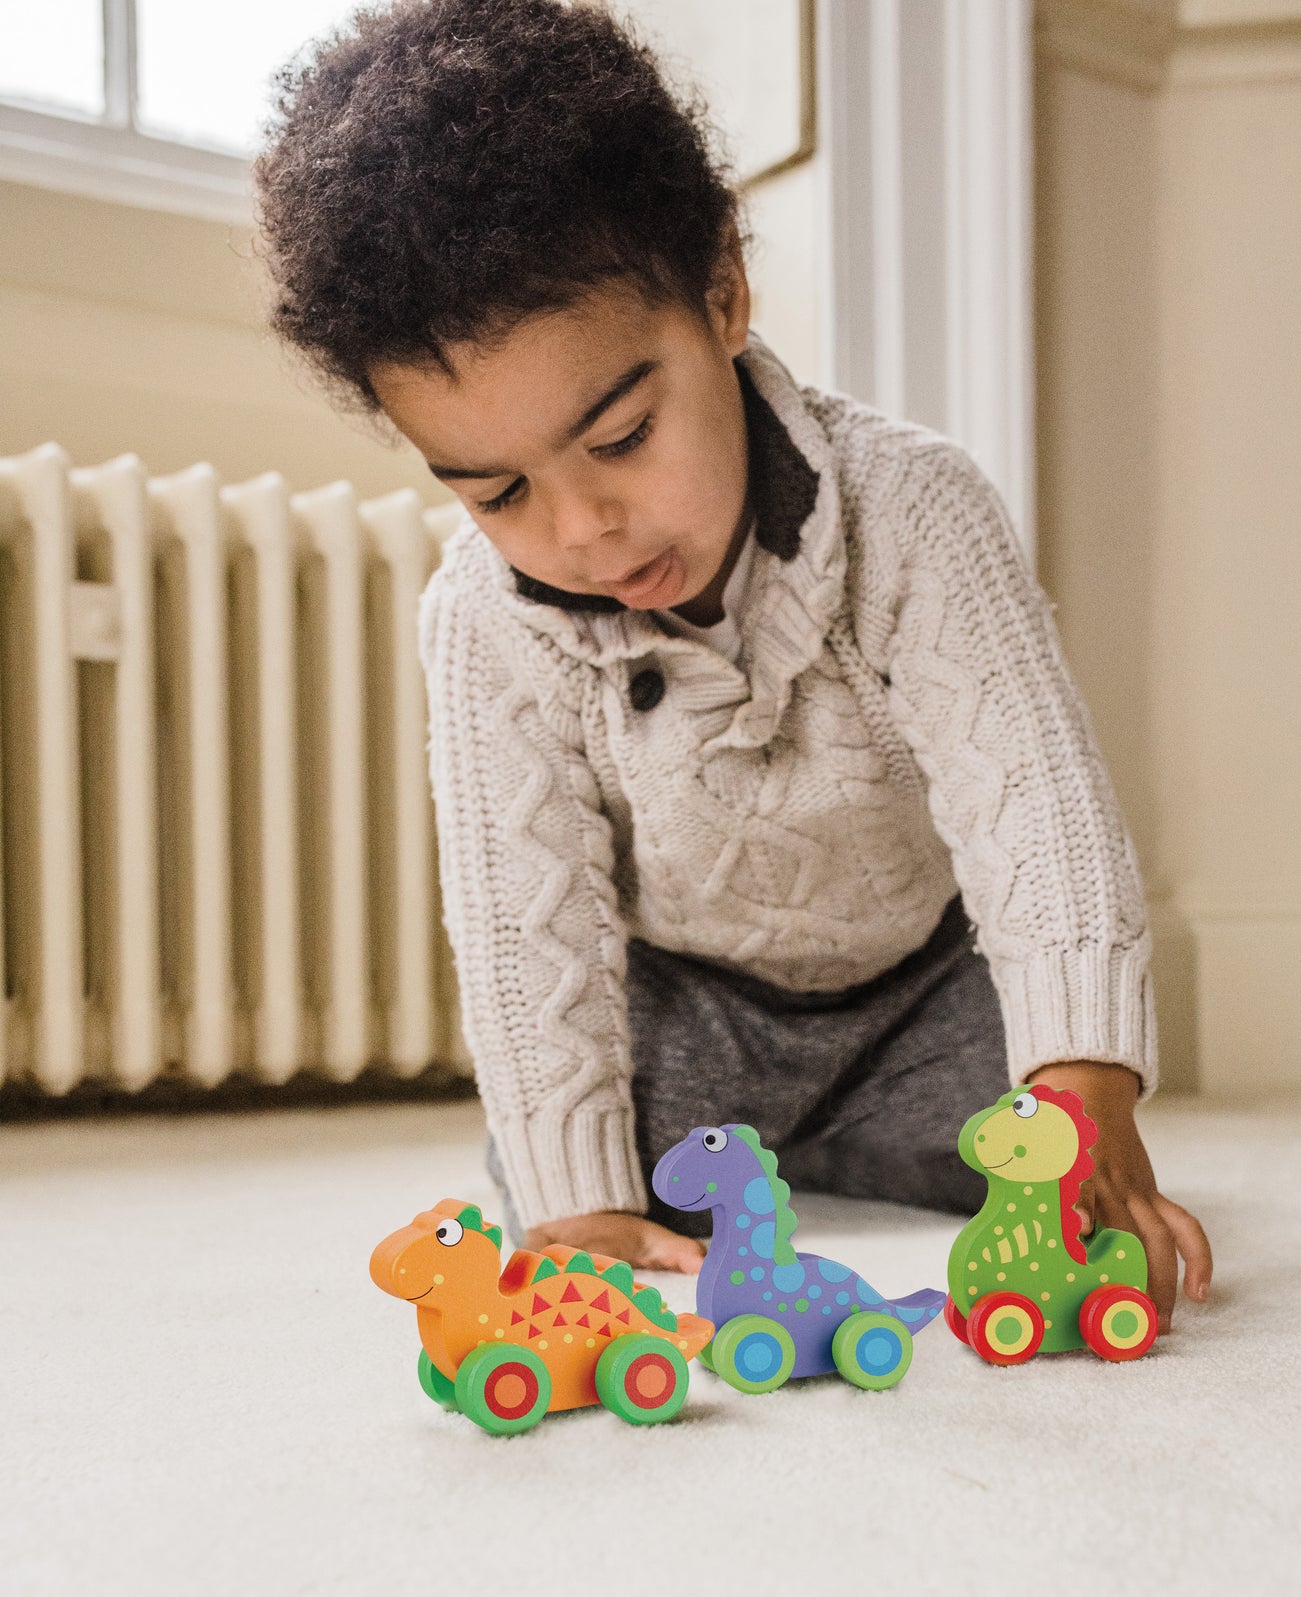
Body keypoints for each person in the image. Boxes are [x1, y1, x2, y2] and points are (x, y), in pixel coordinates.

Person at [254, 0, 1211, 1330]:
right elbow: (530, 934)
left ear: (721, 292)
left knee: (1040, 1113)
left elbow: (1033, 804)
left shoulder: (914, 509)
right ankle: (711, 1167)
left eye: (624, 436)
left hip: (926, 995)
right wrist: (579, 1201)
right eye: (495, 490)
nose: (580, 528)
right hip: (692, 1011)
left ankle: (889, 1136)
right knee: (555, 1151)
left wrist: (1078, 1086)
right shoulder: (480, 620)